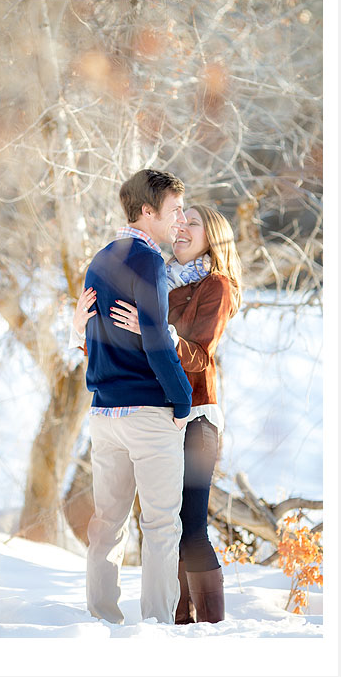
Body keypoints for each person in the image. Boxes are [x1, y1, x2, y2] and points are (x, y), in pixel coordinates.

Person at [72, 204, 242, 623]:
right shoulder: (155, 275)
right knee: (165, 525)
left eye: (193, 224)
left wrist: (154, 331)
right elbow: (121, 344)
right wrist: (81, 330)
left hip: (196, 413)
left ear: (213, 237)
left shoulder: (215, 285)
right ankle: (177, 623)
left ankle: (210, 624)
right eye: (179, 221)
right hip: (157, 408)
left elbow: (200, 356)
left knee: (189, 524)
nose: (181, 228)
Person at [77, 169, 193, 625]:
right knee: (162, 526)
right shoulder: (148, 261)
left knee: (107, 524)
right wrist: (181, 398)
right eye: (175, 210)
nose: (181, 219)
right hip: (147, 411)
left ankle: (102, 621)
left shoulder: (100, 260)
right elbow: (157, 341)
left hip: (104, 411)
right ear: (148, 211)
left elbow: (93, 338)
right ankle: (158, 628)